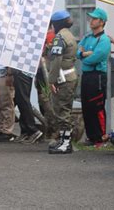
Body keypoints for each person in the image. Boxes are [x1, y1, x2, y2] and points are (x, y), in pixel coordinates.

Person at [77, 8, 111, 146]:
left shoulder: (104, 39)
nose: (91, 21)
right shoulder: (87, 37)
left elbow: (97, 57)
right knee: (86, 106)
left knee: (96, 106)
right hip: (86, 75)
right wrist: (84, 54)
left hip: (97, 76)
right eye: (91, 18)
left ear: (102, 22)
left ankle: (100, 137)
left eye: (95, 18)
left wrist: (85, 57)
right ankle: (91, 136)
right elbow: (78, 51)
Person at [46, 10, 77, 154]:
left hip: (62, 78)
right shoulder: (69, 35)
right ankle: (65, 141)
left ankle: (65, 143)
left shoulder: (60, 37)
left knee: (62, 110)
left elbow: (56, 60)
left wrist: (52, 81)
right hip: (70, 75)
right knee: (66, 109)